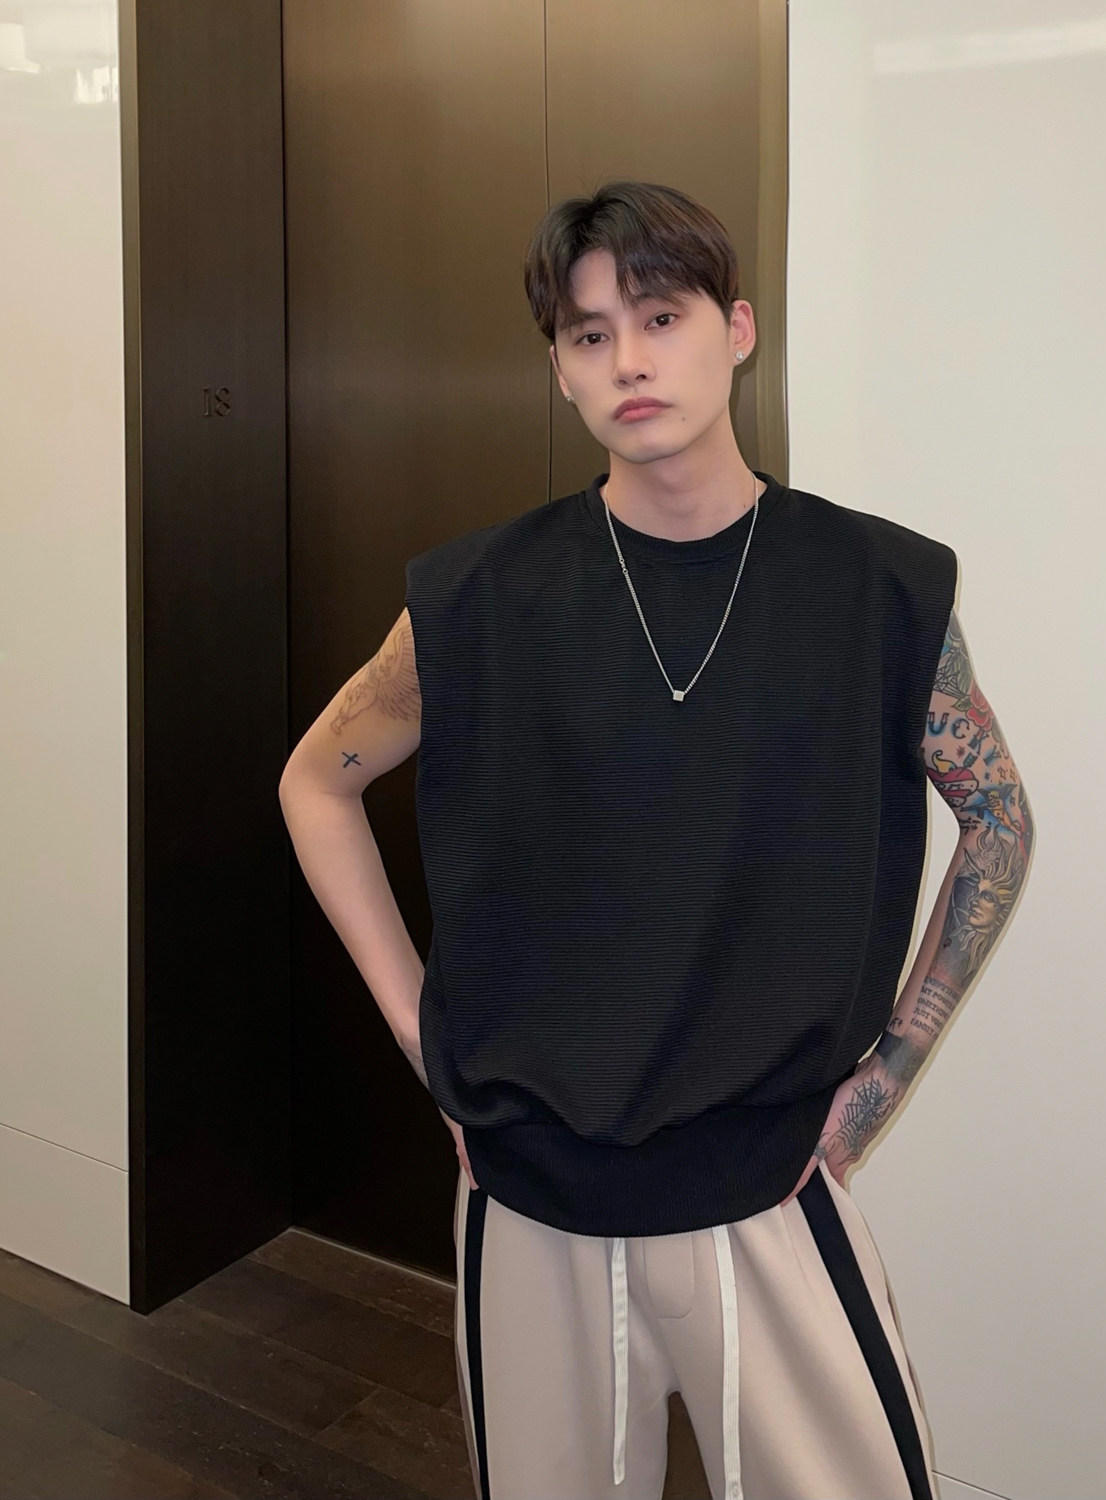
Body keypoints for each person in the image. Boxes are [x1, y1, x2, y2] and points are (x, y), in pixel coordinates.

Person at [279, 180, 1034, 1500]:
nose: (628, 359)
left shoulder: (872, 587)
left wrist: (884, 1081)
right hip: (531, 1194)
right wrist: (424, 1039)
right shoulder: (479, 597)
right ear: (561, 372)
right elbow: (315, 783)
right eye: (589, 334)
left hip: (767, 1185)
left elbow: (998, 822)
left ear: (736, 331)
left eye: (660, 316)